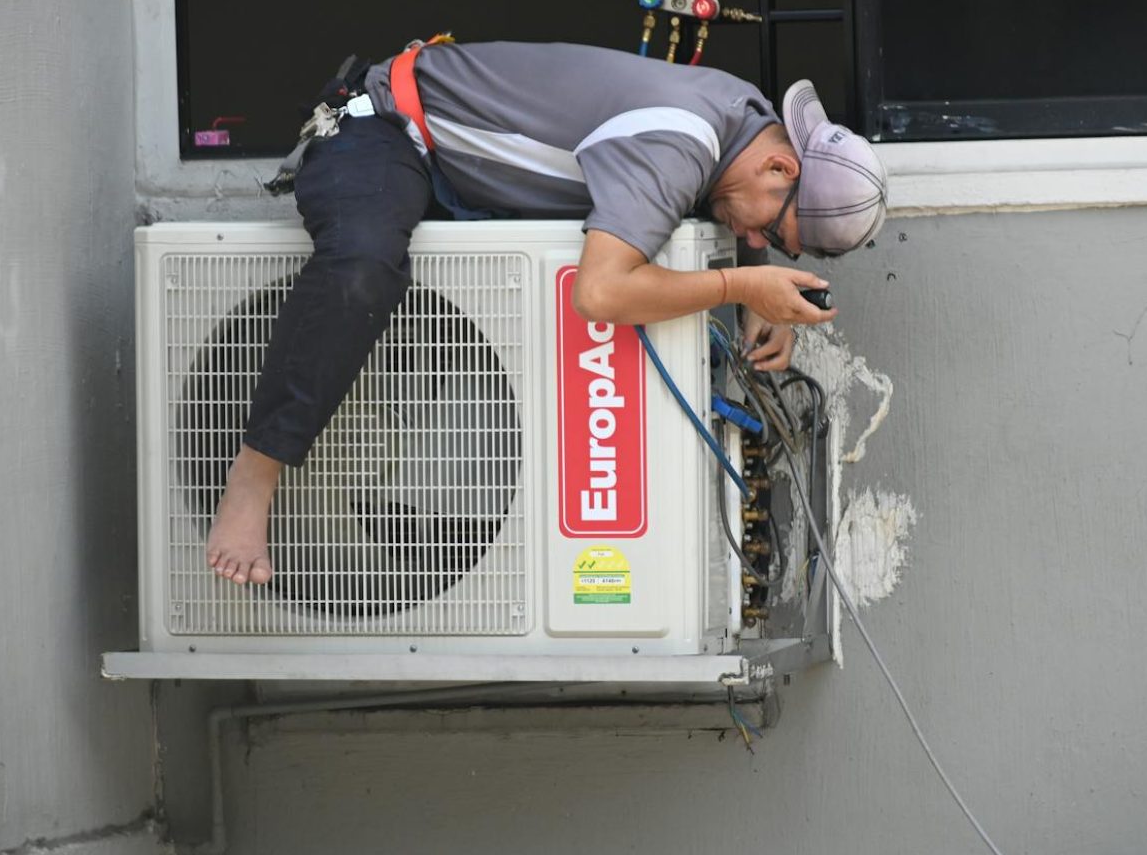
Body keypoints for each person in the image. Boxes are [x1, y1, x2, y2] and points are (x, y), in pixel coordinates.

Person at [207, 39, 887, 586]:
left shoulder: (746, 115)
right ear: (779, 166)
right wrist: (740, 288)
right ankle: (254, 474)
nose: (760, 241)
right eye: (775, 230)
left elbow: (736, 208)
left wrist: (757, 277)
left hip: (461, 180)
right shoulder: (680, 141)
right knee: (362, 265)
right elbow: (600, 293)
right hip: (385, 127)